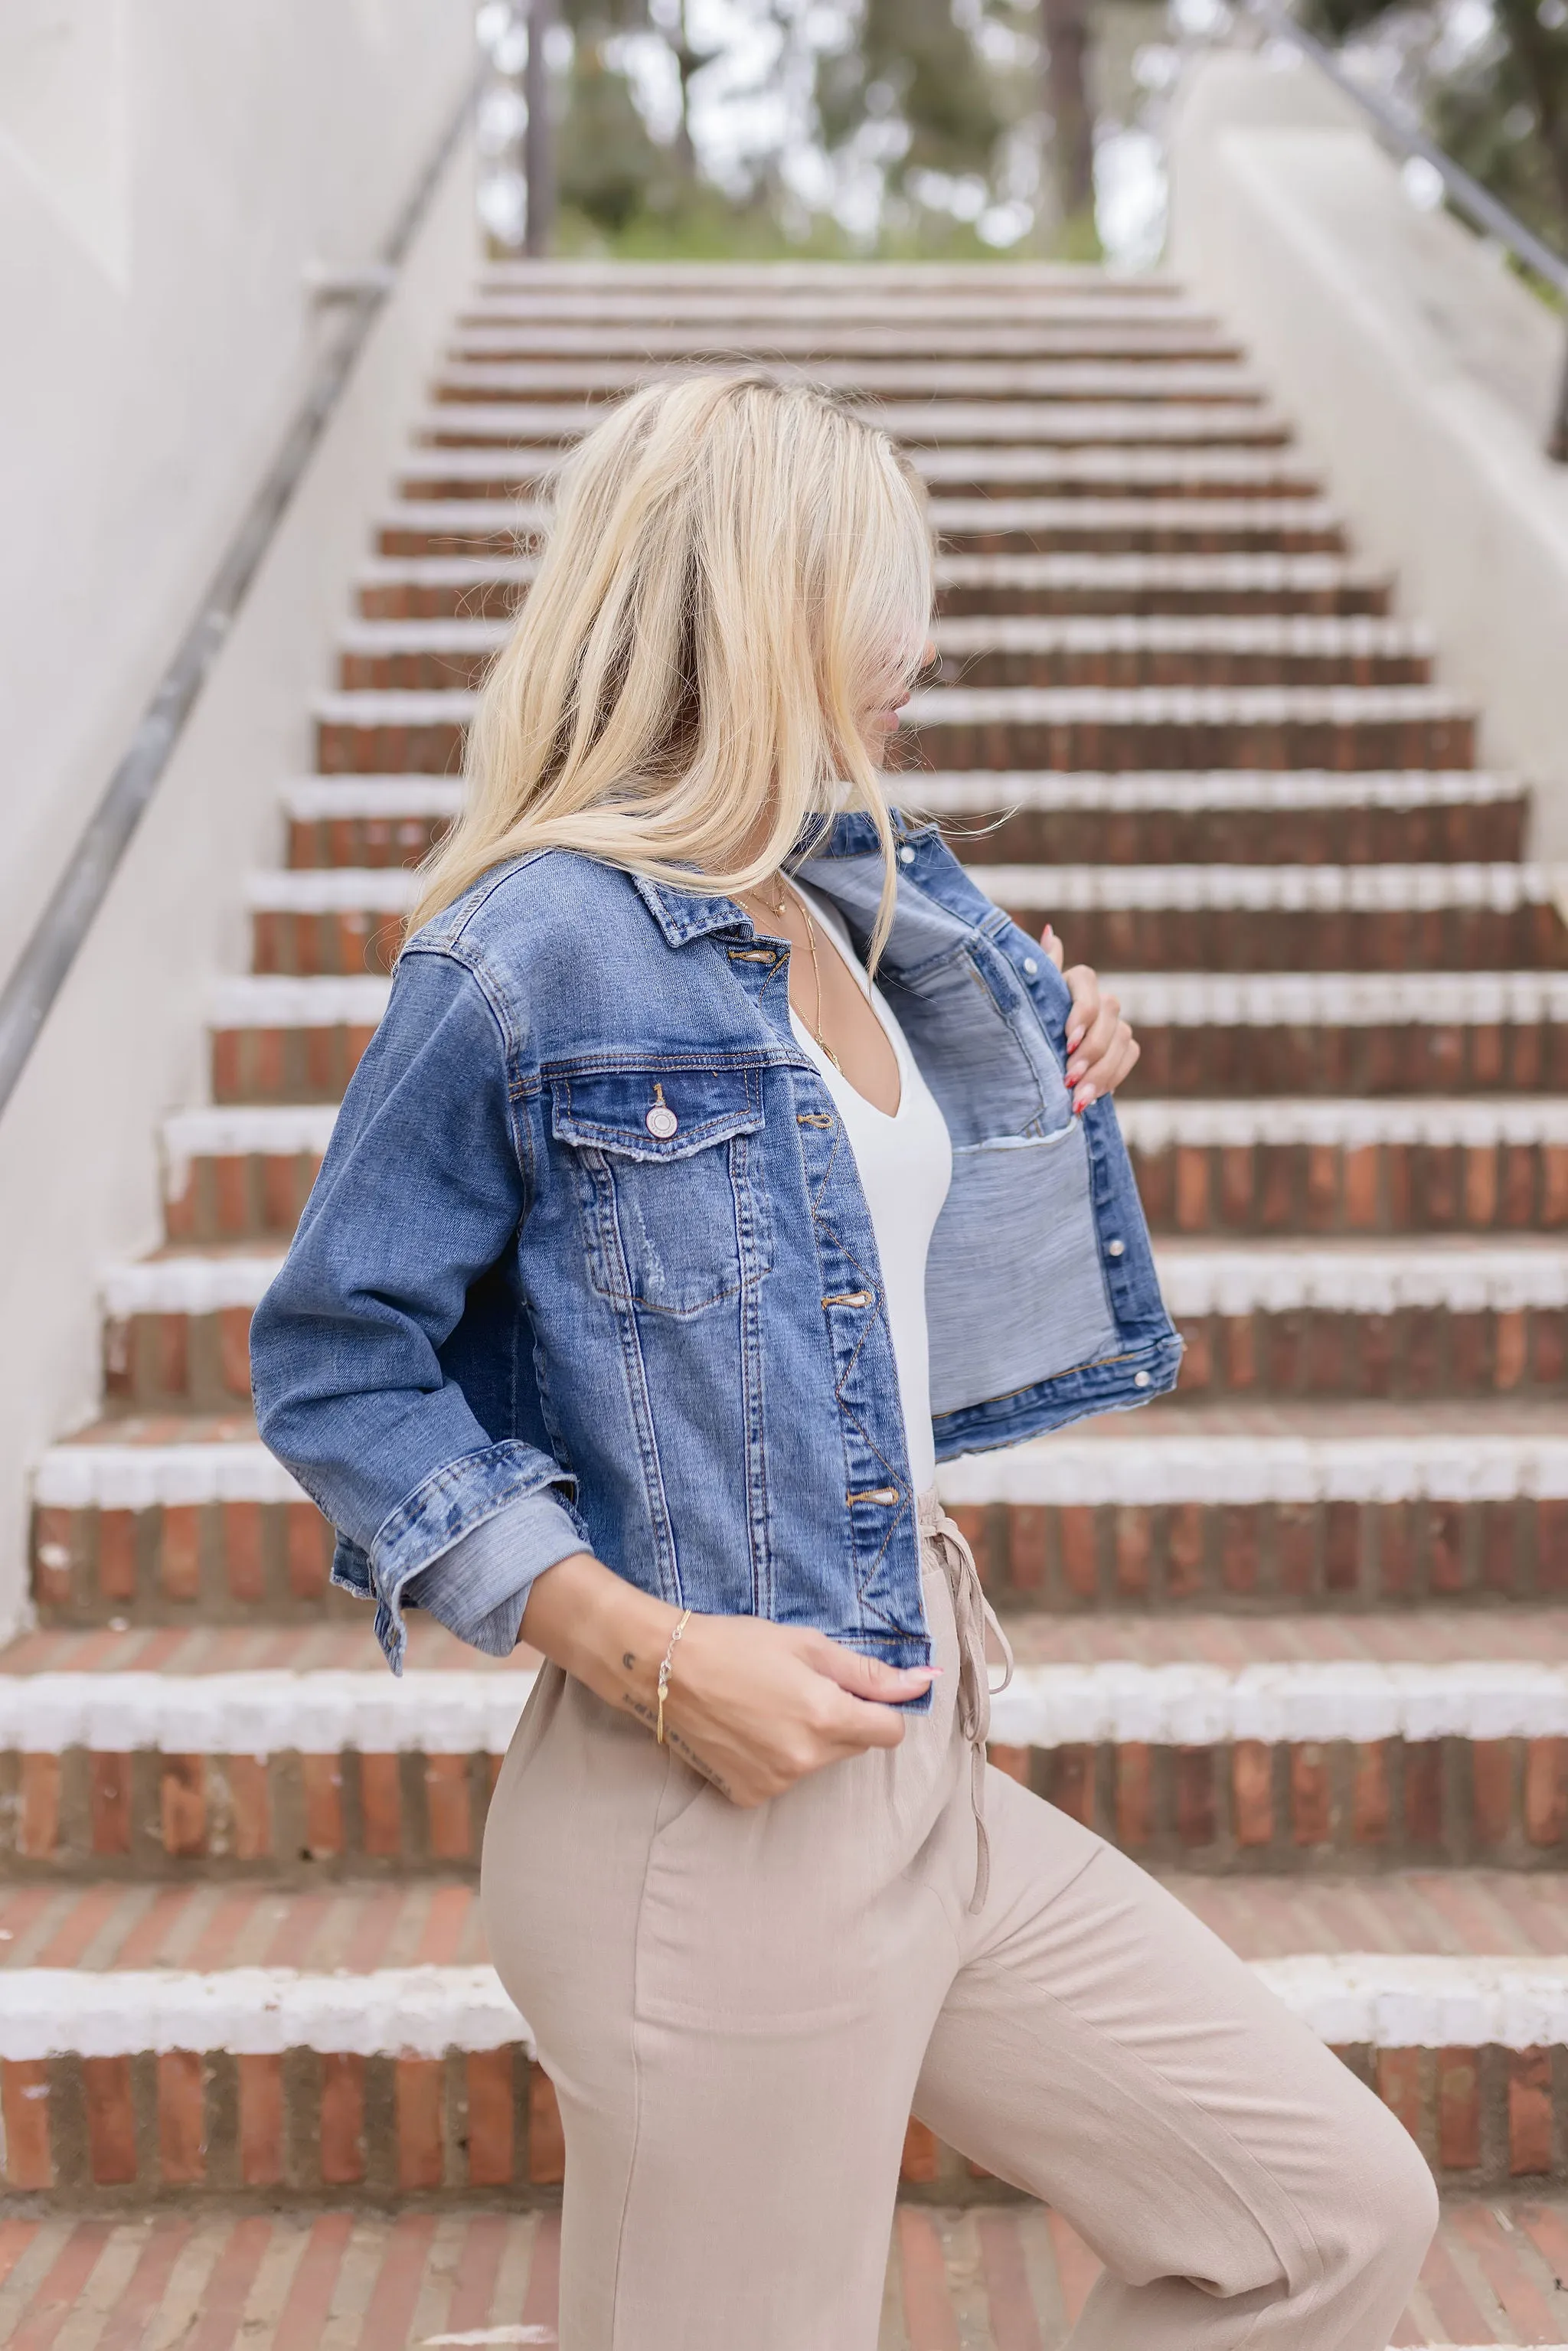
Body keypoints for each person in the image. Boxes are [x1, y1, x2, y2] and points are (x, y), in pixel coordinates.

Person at [250, 372, 1436, 2351]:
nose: (926, 649)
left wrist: (1044, 1052)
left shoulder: (857, 902)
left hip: (926, 1748)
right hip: (702, 1790)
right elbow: (334, 1361)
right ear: (759, 606)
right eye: (888, 599)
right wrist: (644, 1644)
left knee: (1323, 2220)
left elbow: (852, 1255)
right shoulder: (529, 949)